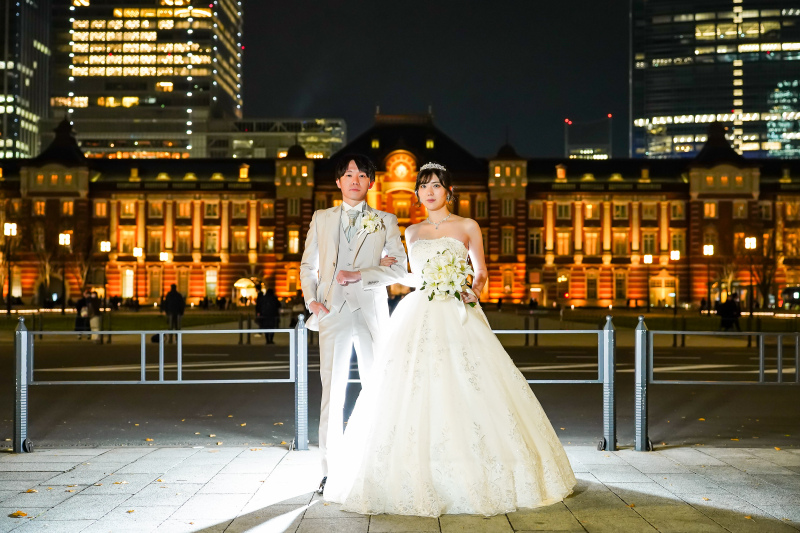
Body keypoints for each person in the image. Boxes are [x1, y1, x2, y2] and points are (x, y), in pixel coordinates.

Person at [324, 162, 575, 516]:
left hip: (458, 310)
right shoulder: (412, 232)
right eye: (423, 186)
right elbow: (411, 277)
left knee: (472, 383)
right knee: (413, 386)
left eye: (436, 186)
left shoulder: (468, 226)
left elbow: (482, 272)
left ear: (448, 190)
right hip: (420, 310)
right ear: (417, 193)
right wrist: (366, 276)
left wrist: (473, 290)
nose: (429, 192)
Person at [300, 154, 409, 495]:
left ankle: (377, 465)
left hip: (371, 313)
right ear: (338, 181)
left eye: (362, 175)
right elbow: (307, 265)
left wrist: (362, 273)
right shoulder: (322, 218)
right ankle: (331, 472)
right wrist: (312, 301)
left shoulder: (386, 220)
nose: (355, 179)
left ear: (371, 183)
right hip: (331, 312)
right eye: (349, 174)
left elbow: (401, 268)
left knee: (376, 389)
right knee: (332, 394)